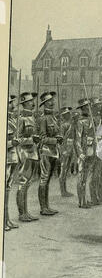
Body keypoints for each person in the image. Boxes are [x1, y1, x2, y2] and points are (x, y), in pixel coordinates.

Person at [38, 91, 63, 216]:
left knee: (47, 180)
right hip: (46, 152)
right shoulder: (43, 118)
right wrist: (55, 140)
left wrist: (59, 137)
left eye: (53, 100)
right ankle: (43, 208)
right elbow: (42, 139)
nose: (52, 102)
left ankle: (47, 206)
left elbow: (56, 133)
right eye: (49, 101)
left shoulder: (54, 117)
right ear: (44, 103)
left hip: (54, 152)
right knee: (44, 179)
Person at [16, 92, 40, 222]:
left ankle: (26, 212)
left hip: (33, 152)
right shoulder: (22, 118)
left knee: (27, 183)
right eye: (30, 101)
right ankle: (21, 214)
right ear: (25, 103)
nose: (33, 103)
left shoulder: (32, 117)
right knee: (23, 183)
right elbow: (18, 139)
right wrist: (31, 139)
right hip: (24, 153)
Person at [75, 98, 96, 209]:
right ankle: (81, 201)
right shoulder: (80, 121)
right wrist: (80, 153)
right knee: (81, 176)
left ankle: (85, 199)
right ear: (83, 108)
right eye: (87, 107)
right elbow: (77, 139)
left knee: (87, 176)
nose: (90, 108)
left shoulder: (91, 120)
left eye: (90, 106)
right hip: (83, 151)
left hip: (91, 150)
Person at [5, 95, 20, 231]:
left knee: (8, 189)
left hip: (13, 157)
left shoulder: (11, 119)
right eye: (10, 103)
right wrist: (11, 142)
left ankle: (6, 219)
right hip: (6, 158)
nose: (13, 106)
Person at [58, 106, 75, 197]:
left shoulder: (71, 124)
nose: (69, 115)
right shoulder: (63, 125)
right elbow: (61, 139)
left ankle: (65, 190)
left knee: (67, 169)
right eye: (67, 114)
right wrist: (63, 150)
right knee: (63, 170)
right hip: (65, 148)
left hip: (71, 147)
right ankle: (62, 191)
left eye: (69, 113)